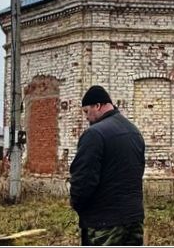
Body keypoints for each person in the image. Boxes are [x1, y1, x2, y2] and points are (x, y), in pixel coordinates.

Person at [70, 85, 146, 246]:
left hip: (104, 223)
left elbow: (83, 180)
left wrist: (76, 204)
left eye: (86, 111)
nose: (86, 117)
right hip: (134, 220)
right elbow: (138, 171)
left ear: (97, 105)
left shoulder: (94, 134)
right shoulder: (134, 131)